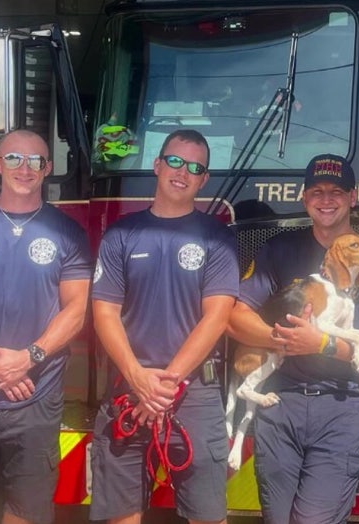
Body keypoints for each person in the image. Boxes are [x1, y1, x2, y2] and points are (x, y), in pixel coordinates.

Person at [227, 153, 359, 524]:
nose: (327, 200)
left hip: (344, 406)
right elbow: (235, 318)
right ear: (305, 199)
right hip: (282, 403)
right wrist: (283, 338)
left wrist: (322, 344)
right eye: (317, 192)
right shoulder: (278, 250)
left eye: (337, 191)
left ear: (352, 198)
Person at [89, 129, 239, 524]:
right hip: (128, 391)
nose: (182, 172)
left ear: (204, 180)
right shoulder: (121, 233)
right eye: (174, 161)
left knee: (208, 517)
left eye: (195, 167)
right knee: (120, 516)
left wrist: (166, 384)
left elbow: (217, 317)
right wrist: (138, 378)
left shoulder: (218, 238)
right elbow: (104, 312)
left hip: (195, 395)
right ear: (157, 166)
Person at [0, 129, 91, 524]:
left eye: (36, 161)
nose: (25, 168)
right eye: (14, 158)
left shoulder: (68, 233)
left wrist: (28, 358)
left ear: (48, 169)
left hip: (36, 397)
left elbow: (77, 310)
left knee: (26, 510)